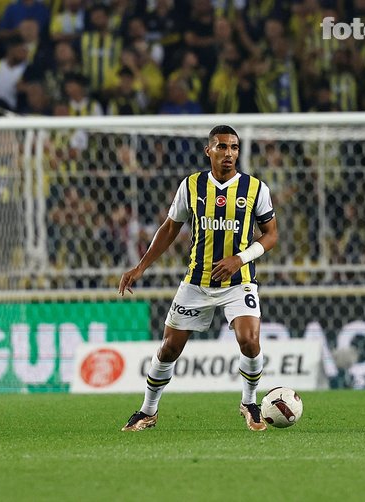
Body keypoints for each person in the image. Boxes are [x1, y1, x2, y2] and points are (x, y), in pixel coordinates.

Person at [118, 125, 278, 432]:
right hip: (197, 282)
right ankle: (148, 411)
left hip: (239, 281)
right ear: (209, 151)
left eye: (234, 147)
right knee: (169, 349)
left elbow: (271, 235)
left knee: (249, 340)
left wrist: (239, 259)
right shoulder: (192, 186)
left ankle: (249, 403)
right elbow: (170, 228)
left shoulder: (255, 188)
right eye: (222, 147)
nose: (229, 153)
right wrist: (140, 267)